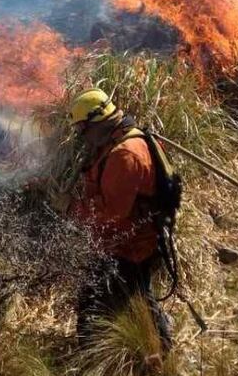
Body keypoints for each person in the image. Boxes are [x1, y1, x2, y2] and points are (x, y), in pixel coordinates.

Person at [60, 88, 172, 350]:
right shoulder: (121, 141)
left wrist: (71, 207)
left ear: (97, 122)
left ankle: (157, 356)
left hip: (130, 246)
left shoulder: (125, 154)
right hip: (132, 240)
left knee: (110, 299)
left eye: (83, 130)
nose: (82, 137)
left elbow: (112, 214)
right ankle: (153, 348)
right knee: (134, 297)